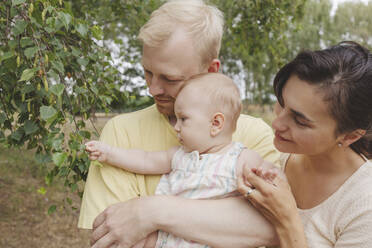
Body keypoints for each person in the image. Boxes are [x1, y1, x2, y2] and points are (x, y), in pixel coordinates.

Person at [79, 0, 280, 247]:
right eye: (148, 72)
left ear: (210, 70)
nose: (152, 89)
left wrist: (152, 211)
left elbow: (275, 227)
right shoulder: (121, 133)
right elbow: (111, 238)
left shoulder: (255, 136)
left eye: (170, 78)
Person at [85, 73, 274, 248]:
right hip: (168, 237)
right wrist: (109, 153)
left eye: (183, 119)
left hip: (214, 238)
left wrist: (268, 176)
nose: (176, 127)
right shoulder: (180, 156)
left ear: (215, 124)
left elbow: (273, 189)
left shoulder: (240, 158)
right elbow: (145, 160)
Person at [238, 41, 372, 248]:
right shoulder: (270, 157)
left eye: (300, 121)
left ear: (349, 137)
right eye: (281, 103)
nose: (276, 123)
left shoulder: (363, 205)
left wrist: (287, 221)